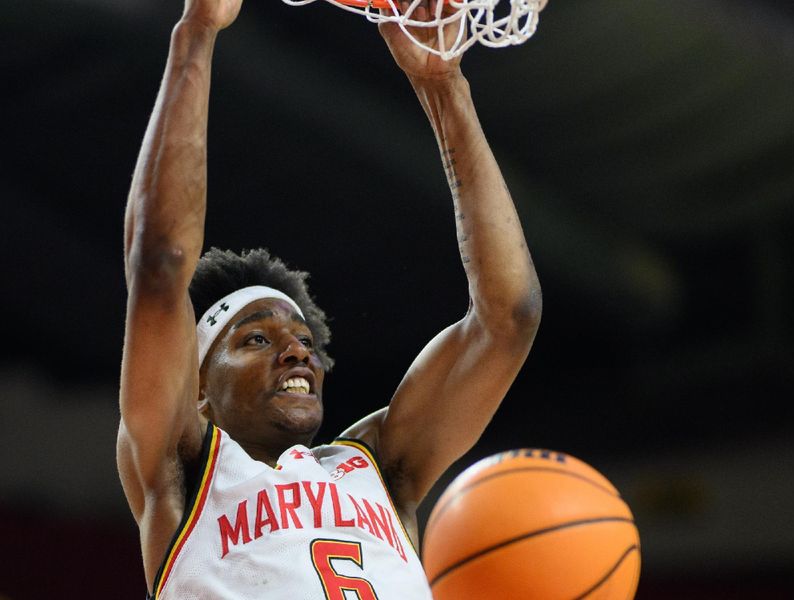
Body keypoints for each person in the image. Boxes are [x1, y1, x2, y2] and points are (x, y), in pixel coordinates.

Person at [116, 0, 543, 598]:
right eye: (256, 339)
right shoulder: (185, 474)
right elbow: (158, 267)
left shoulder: (377, 467)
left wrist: (444, 85)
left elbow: (507, 320)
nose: (297, 354)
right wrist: (199, 29)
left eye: (303, 342)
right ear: (197, 391)